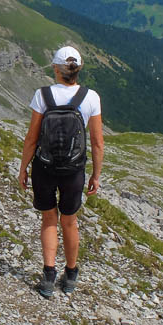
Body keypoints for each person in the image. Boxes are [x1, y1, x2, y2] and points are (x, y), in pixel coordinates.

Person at [17, 46, 103, 297]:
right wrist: (96, 175)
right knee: (70, 221)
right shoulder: (91, 97)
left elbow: (32, 138)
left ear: (56, 68)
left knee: (48, 219)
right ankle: (71, 274)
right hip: (74, 170)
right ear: (79, 69)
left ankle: (48, 276)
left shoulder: (42, 95)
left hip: (44, 167)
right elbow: (97, 142)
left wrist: (23, 169)